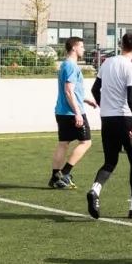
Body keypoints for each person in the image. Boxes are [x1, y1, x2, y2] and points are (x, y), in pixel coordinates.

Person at [87, 33, 132, 220]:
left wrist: (103, 105)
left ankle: (95, 190)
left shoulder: (107, 63)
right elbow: (131, 98)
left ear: (120, 44)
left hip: (107, 120)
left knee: (110, 161)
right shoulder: (131, 68)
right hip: (125, 119)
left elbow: (94, 90)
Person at [49, 37, 95, 189]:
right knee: (86, 142)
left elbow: (72, 91)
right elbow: (69, 91)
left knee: (64, 143)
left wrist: (86, 99)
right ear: (74, 48)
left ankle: (55, 177)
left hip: (62, 111)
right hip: (71, 112)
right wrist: (77, 112)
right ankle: (66, 173)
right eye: (81, 46)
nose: (84, 49)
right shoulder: (71, 66)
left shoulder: (66, 65)